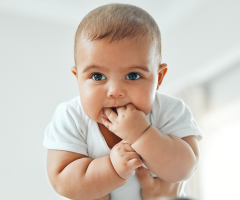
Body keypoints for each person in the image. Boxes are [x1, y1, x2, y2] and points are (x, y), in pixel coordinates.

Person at [43, 3, 203, 200]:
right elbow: (61, 180)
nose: (115, 91)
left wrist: (141, 134)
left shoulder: (170, 111)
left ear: (159, 78)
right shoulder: (71, 116)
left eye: (133, 75)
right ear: (78, 78)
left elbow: (185, 168)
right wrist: (111, 169)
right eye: (98, 76)